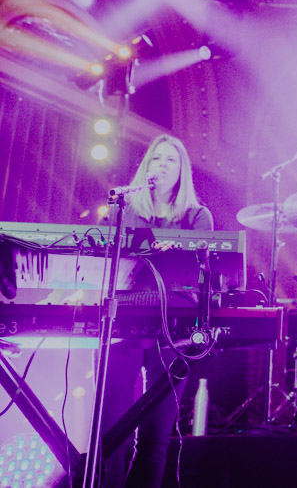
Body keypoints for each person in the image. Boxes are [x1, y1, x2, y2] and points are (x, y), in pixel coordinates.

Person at [103, 134, 213, 487]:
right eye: (156, 159)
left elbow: (202, 273)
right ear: (145, 167)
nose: (162, 165)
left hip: (174, 327)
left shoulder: (197, 216)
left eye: (171, 160)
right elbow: (109, 262)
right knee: (112, 430)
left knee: (156, 437)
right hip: (126, 319)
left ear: (182, 172)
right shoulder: (126, 211)